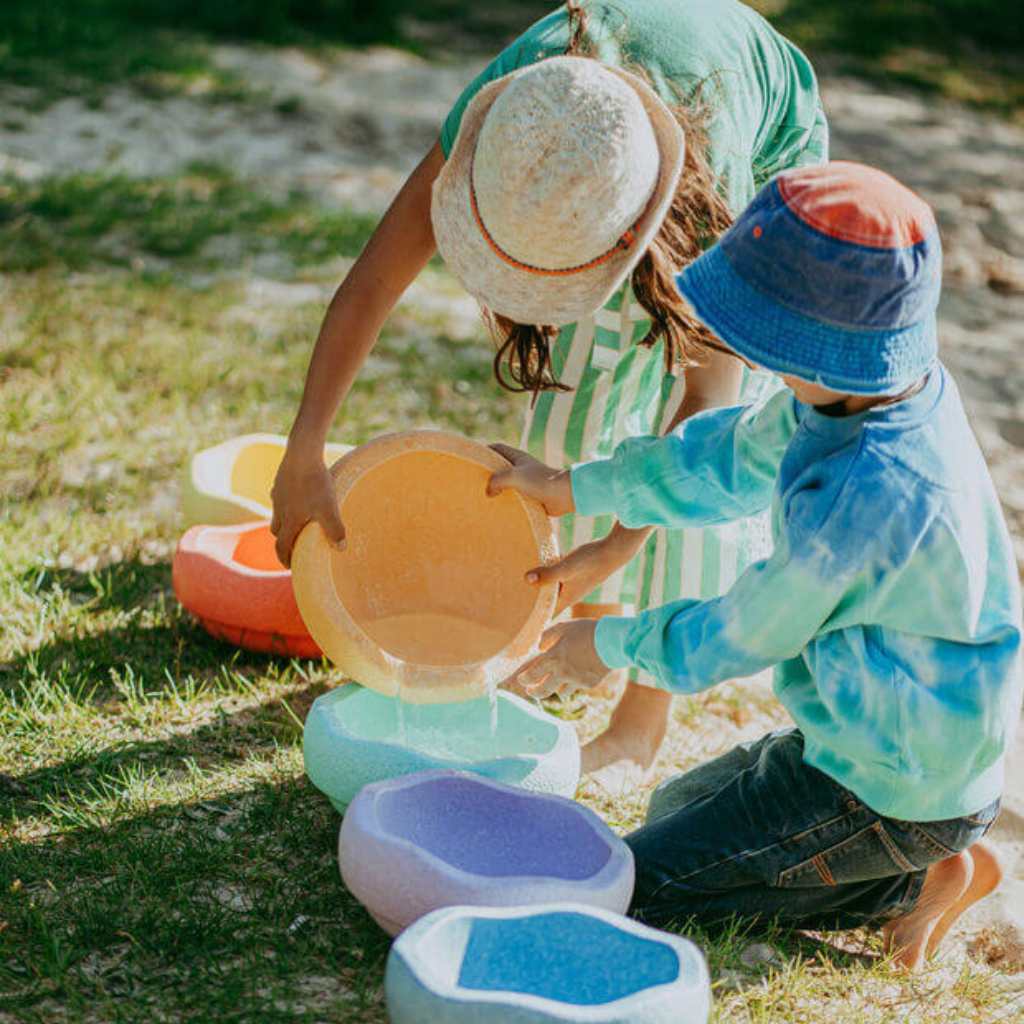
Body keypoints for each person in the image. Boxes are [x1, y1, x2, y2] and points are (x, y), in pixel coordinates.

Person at [270, 0, 829, 774]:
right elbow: (370, 283)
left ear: (629, 235)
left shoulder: (712, 212)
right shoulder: (511, 121)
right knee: (562, 424)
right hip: (608, 150)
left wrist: (618, 544)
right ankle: (572, 616)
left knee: (688, 471)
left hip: (756, 145)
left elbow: (706, 414)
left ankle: (641, 717)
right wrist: (303, 448)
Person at [491, 162, 1021, 969]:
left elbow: (740, 631)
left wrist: (602, 646)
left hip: (889, 784)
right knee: (674, 806)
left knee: (639, 885)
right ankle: (923, 862)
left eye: (770, 341)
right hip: (874, 742)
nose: (755, 356)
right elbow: (726, 459)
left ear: (824, 347)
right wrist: (572, 489)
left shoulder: (866, 495)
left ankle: (910, 879)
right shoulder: (866, 391)